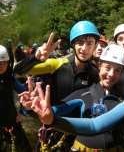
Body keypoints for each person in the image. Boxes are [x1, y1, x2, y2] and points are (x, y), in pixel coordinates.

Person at [14, 20, 101, 151]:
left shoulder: (95, 73)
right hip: (52, 129)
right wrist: (36, 58)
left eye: (89, 43)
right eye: (80, 43)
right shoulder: (58, 64)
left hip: (77, 132)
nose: (84, 48)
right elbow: (18, 72)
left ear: (95, 45)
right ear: (73, 45)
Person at [0, 45, 32, 152]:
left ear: (7, 63)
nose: (0, 66)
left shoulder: (10, 77)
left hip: (11, 118)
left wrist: (28, 87)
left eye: (3, 62)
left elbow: (22, 91)